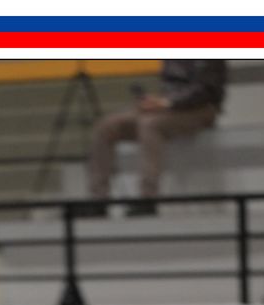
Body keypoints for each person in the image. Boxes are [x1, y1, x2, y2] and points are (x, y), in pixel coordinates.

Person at [85, 60, 227, 216]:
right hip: (169, 107)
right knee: (105, 127)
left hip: (200, 108)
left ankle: (148, 198)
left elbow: (205, 91)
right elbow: (170, 85)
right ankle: (99, 200)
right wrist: (155, 101)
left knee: (150, 125)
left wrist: (167, 103)